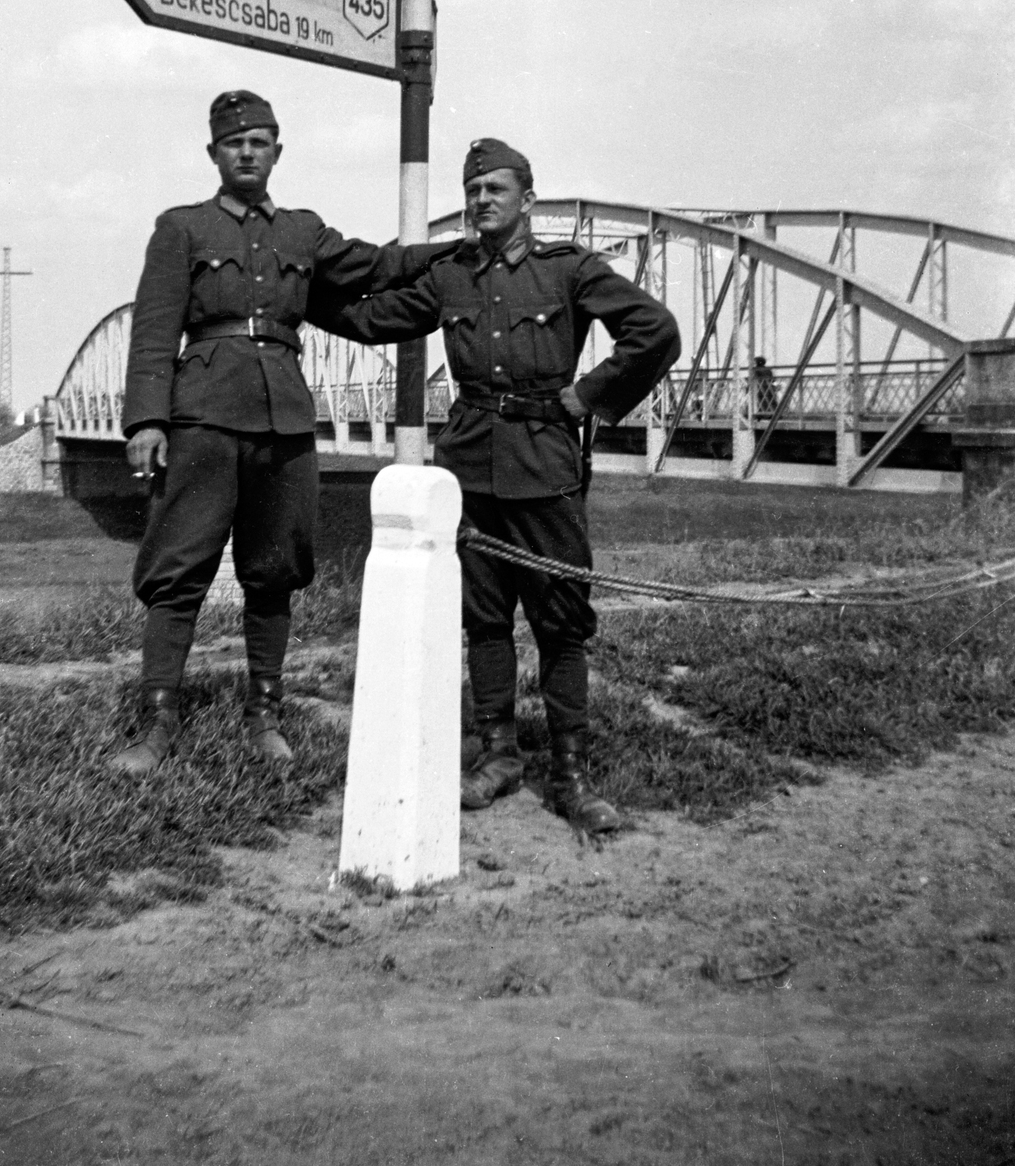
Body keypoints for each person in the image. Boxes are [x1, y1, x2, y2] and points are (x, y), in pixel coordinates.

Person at [322, 138, 681, 833]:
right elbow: (371, 319)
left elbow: (653, 330)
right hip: (469, 467)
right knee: (483, 618)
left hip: (544, 464)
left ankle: (571, 774)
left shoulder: (566, 270)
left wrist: (590, 397)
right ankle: (497, 754)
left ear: (527, 200)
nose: (480, 199)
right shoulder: (452, 277)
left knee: (560, 623)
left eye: (494, 188)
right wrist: (292, 300)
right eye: (472, 188)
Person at [112, 89, 450, 776]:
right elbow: (153, 330)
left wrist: (455, 257)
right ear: (214, 153)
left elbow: (375, 271)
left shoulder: (303, 231)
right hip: (201, 416)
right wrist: (147, 420)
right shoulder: (180, 228)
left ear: (276, 152)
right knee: (179, 572)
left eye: (259, 142)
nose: (246, 152)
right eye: (234, 143)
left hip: (286, 420)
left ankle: (264, 713)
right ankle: (157, 723)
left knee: (274, 571)